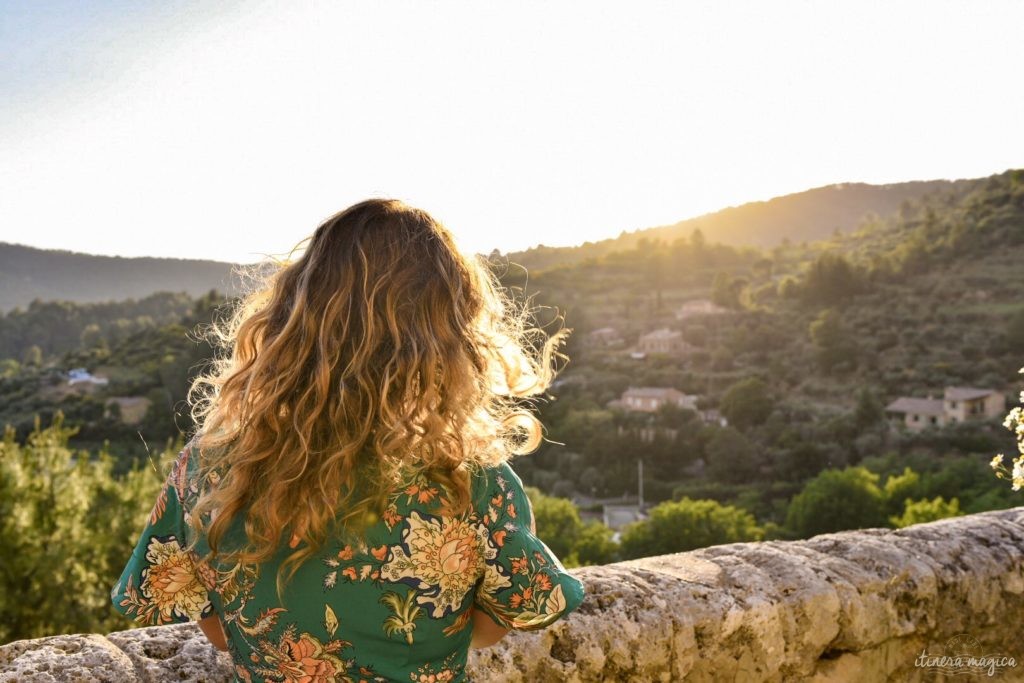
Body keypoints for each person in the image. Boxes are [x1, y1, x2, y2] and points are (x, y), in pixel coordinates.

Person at [110, 199, 585, 682]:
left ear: (289, 317)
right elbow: (493, 624)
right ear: (452, 338)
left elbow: (214, 625)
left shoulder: (208, 469)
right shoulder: (470, 481)